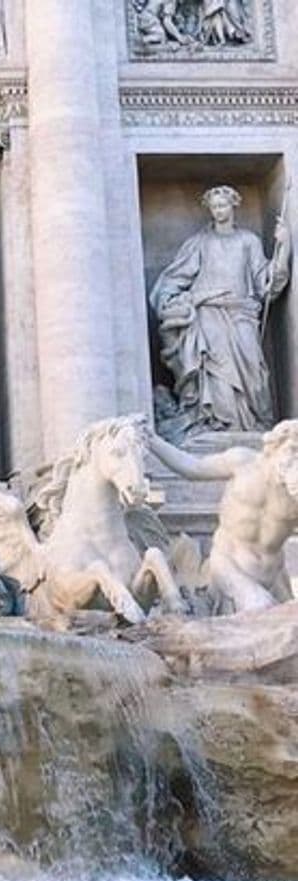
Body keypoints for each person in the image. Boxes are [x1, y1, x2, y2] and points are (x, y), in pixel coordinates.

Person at [150, 184, 289, 439]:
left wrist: (284, 248)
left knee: (253, 372)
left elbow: (265, 282)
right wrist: (176, 300)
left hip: (242, 313)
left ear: (233, 205)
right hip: (208, 314)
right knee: (215, 370)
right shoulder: (199, 243)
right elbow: (174, 280)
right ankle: (215, 422)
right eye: (214, 207)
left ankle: (252, 423)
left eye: (222, 205)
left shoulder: (249, 241)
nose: (218, 211)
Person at [149, 422, 298, 612]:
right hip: (229, 564)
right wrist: (152, 441)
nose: (294, 458)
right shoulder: (243, 463)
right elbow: (192, 468)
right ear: (275, 447)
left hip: (275, 574)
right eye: (292, 450)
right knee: (261, 609)